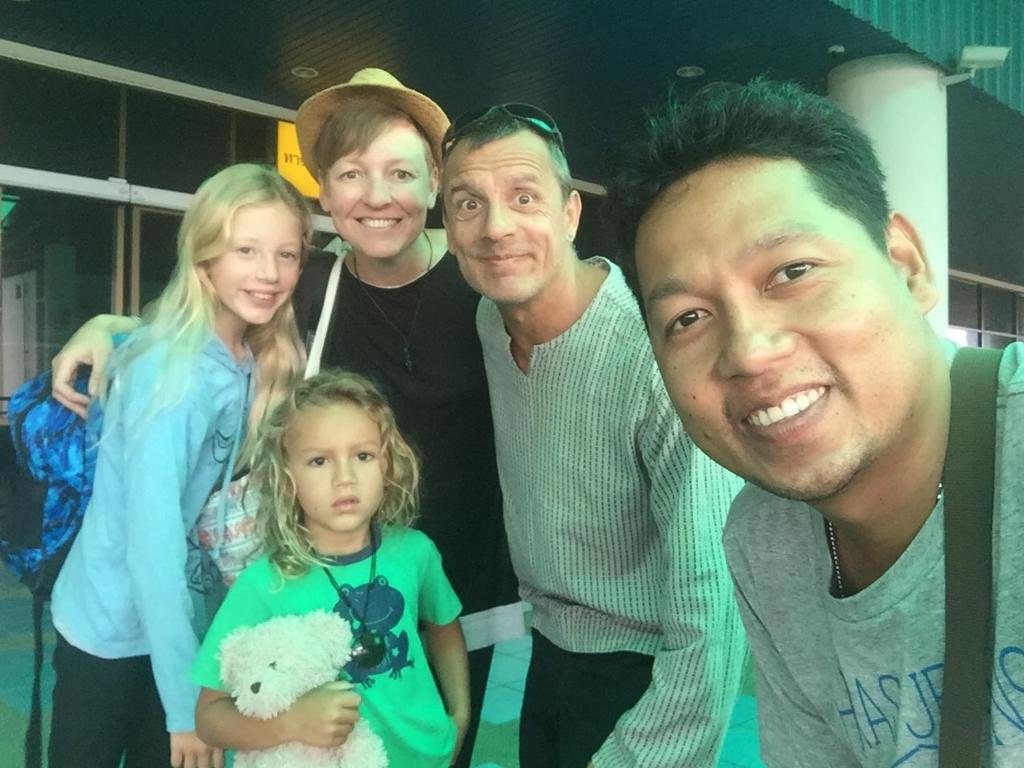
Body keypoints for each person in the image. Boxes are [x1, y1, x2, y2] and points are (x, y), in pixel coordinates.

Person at [50, 68, 518, 767]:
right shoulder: (313, 288)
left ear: (434, 186)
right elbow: (205, 323)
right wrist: (113, 329)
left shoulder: (483, 285)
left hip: (453, 584)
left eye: (400, 172)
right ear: (326, 192)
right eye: (353, 174)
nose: (377, 195)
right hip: (318, 595)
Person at [609, 78, 1024, 765]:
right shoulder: (764, 540)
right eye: (688, 318)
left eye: (793, 271)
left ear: (906, 266)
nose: (748, 352)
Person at [441, 104, 747, 767]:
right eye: (468, 204)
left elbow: (714, 603)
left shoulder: (654, 355)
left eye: (524, 197)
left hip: (644, 669)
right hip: (548, 656)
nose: (496, 227)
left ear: (571, 214)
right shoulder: (489, 322)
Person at [48, 164, 313, 768]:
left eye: (287, 254)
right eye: (246, 250)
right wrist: (185, 708)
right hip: (109, 630)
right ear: (205, 257)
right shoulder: (174, 376)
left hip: (177, 626)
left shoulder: (247, 355)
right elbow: (153, 550)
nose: (269, 273)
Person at [192, 370, 470, 767]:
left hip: (428, 757)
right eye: (319, 460)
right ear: (287, 479)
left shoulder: (416, 552)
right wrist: (290, 724)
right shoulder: (263, 585)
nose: (345, 478)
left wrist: (459, 716)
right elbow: (209, 718)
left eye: (363, 456)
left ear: (388, 464)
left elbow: (444, 626)